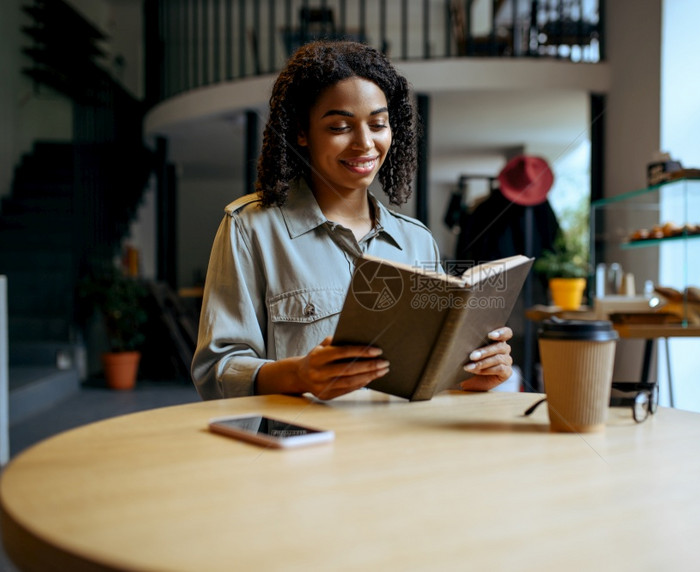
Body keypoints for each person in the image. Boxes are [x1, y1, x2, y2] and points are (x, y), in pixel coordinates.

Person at [191, 40, 514, 401]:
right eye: (340, 127)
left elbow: (428, 376)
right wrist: (299, 375)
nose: (365, 143)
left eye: (378, 124)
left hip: (400, 449)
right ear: (302, 132)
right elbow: (215, 372)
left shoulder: (417, 240)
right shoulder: (251, 228)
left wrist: (473, 373)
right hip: (300, 451)